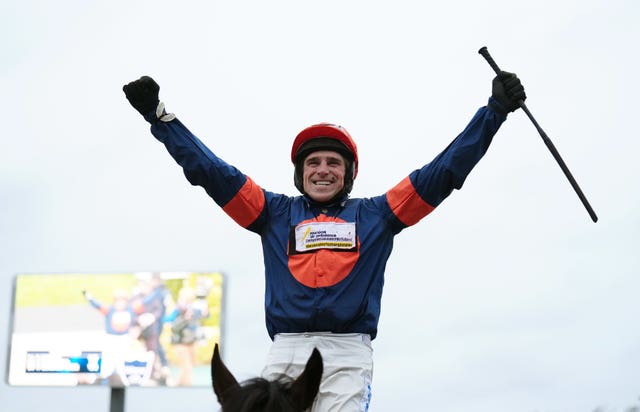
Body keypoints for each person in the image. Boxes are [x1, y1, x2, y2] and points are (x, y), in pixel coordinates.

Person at [123, 70, 525, 411]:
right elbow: (210, 171)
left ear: (348, 174)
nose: (322, 170)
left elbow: (445, 170)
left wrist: (493, 113)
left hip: (348, 354)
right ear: (300, 174)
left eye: (334, 163)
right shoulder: (271, 213)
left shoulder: (379, 214)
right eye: (313, 163)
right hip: (285, 351)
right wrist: (161, 119)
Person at [164, 286, 209, 386]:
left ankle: (180, 386)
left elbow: (203, 315)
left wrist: (205, 312)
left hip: (191, 342)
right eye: (185, 299)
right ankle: (183, 387)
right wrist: (185, 318)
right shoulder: (177, 310)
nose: (187, 302)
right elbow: (171, 324)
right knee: (187, 367)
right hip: (179, 342)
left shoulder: (194, 309)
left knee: (189, 367)